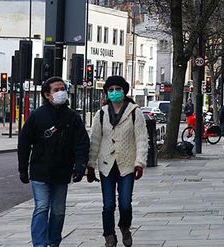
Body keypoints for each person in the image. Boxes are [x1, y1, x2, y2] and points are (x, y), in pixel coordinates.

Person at [17, 77, 90, 247]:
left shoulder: (72, 117)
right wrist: (22, 168)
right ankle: (40, 244)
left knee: (58, 211)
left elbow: (81, 143)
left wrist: (80, 165)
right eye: (56, 90)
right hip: (40, 171)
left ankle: (54, 241)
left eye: (62, 89)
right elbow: (24, 142)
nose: (61, 92)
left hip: (62, 172)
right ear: (46, 94)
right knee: (42, 207)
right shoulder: (37, 116)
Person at [87, 76, 149, 247]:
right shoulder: (101, 114)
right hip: (107, 165)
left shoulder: (135, 112)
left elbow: (142, 139)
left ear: (124, 90)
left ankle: (125, 226)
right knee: (108, 205)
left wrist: (140, 162)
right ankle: (109, 235)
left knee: (125, 203)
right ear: (107, 92)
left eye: (118, 89)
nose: (114, 92)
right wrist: (90, 165)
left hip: (127, 164)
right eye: (111, 89)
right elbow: (95, 140)